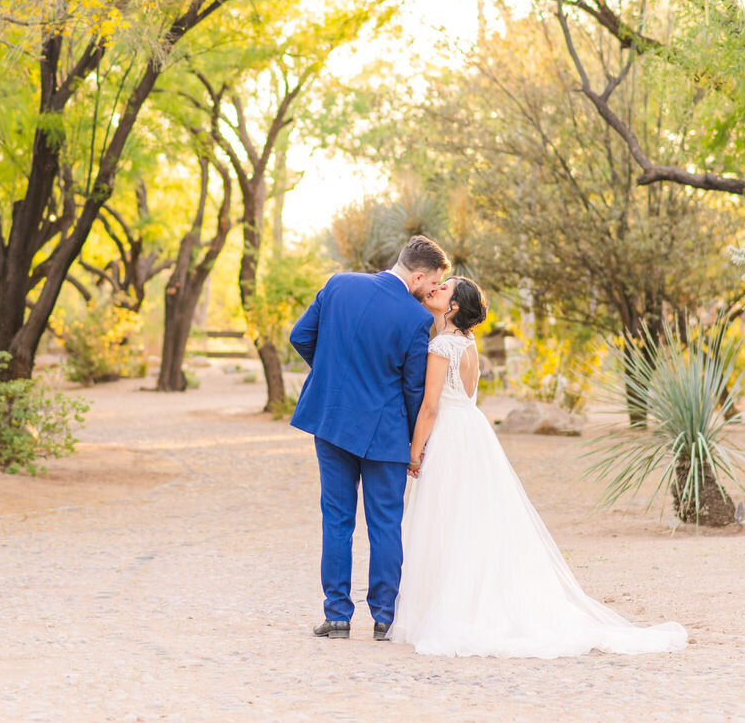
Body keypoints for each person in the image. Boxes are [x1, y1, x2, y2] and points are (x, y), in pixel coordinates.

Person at [390, 276, 688, 657]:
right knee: (474, 521)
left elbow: (431, 407)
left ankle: (453, 607)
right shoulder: (468, 344)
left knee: (448, 519)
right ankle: (474, 596)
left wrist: (414, 454)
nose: (437, 290)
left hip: (451, 435)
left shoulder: (442, 345)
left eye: (445, 288)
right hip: (474, 434)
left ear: (452, 308)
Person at [288, 235, 450, 641]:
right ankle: (384, 618)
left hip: (333, 421)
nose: (432, 292)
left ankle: (338, 615)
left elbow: (300, 336)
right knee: (385, 524)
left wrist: (332, 375)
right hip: (386, 434)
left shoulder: (338, 284)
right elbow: (414, 389)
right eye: (431, 284)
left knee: (337, 519)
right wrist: (418, 444)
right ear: (417, 275)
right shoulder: (416, 320)